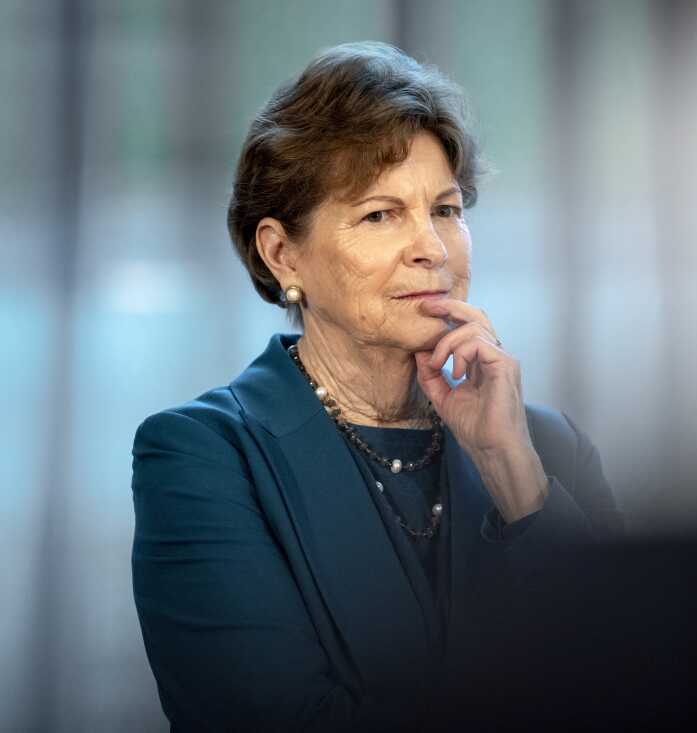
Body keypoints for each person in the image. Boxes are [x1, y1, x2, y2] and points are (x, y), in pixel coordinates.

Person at [130, 41, 625, 731]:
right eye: (380, 214)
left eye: (446, 209)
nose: (432, 248)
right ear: (281, 253)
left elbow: (637, 684)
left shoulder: (548, 446)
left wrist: (515, 475)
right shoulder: (203, 456)